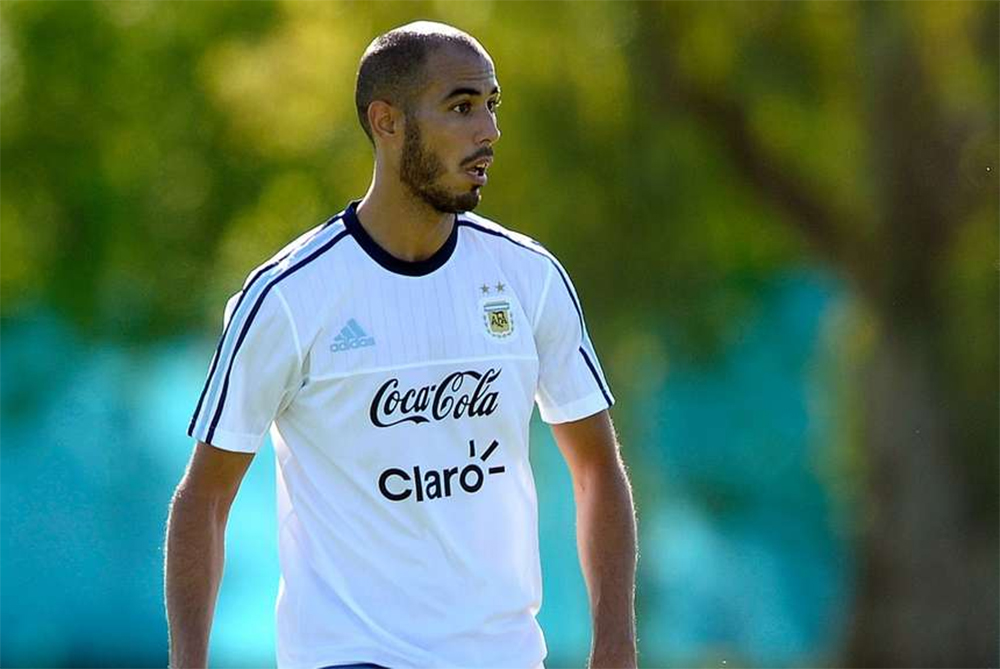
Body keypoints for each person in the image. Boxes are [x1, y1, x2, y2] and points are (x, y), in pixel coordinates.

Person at [165, 20, 637, 669]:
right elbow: (205, 498)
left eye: (492, 105)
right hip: (349, 656)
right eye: (462, 107)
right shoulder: (288, 296)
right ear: (386, 122)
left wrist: (614, 645)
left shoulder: (528, 278)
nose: (488, 132)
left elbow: (597, 469)